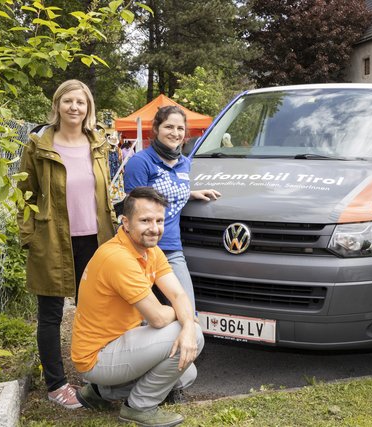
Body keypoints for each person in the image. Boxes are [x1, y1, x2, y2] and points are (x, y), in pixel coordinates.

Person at [16, 79, 116, 409]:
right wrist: (29, 235)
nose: (75, 107)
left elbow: (105, 193)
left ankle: (97, 377)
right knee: (50, 315)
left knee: (97, 311)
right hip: (52, 238)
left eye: (81, 102)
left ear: (89, 108)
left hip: (96, 239)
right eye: (68, 101)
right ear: (57, 105)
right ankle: (56, 385)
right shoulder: (38, 144)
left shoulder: (98, 142)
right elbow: (23, 192)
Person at [71, 187, 204, 426]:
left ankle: (98, 394)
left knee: (186, 371)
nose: (154, 228)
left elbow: (178, 294)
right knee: (193, 336)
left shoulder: (150, 250)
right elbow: (157, 318)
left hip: (121, 343)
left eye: (159, 220)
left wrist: (183, 322)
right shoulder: (118, 257)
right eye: (145, 220)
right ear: (126, 222)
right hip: (97, 357)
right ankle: (138, 408)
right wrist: (185, 322)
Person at [124, 106, 221, 310]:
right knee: (143, 318)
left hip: (171, 248)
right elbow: (133, 210)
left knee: (187, 311)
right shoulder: (140, 162)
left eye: (180, 128)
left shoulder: (184, 163)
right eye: (169, 126)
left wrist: (191, 194)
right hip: (140, 250)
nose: (175, 133)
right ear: (157, 129)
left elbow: (169, 192)